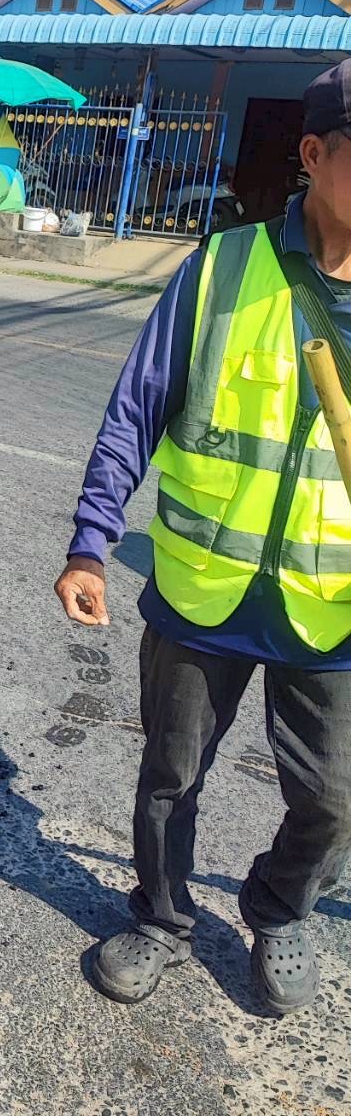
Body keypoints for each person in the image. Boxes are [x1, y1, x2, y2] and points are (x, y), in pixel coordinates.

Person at [55, 60, 351, 1017]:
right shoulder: (222, 268)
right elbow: (135, 407)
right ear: (313, 153)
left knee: (336, 799)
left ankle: (282, 907)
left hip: (332, 607)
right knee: (171, 778)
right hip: (203, 589)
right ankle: (162, 918)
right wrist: (91, 541)